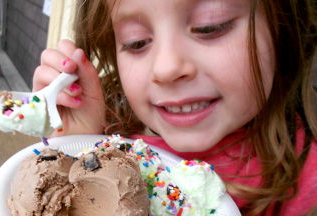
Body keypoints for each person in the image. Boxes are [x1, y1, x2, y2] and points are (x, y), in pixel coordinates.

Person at [33, 0, 317, 215]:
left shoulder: (306, 179)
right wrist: (77, 143)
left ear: (282, 27)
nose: (167, 68)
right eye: (137, 42)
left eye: (210, 26)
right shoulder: (105, 137)